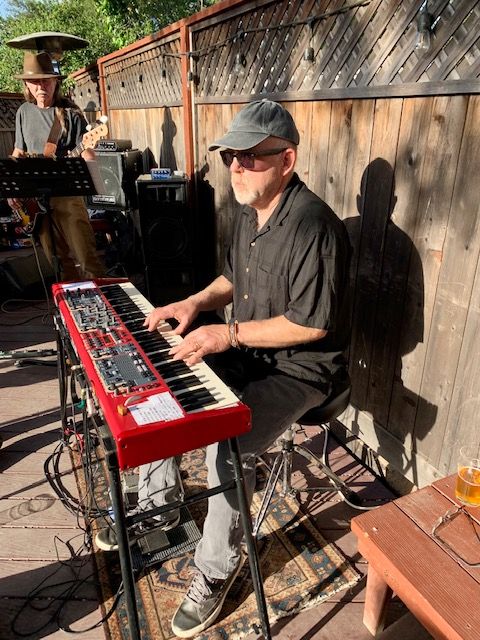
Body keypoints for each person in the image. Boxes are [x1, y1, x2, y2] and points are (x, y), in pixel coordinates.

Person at [96, 99, 351, 638]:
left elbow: (310, 326)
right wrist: (193, 304)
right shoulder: (249, 211)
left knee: (228, 446)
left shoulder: (315, 227)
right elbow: (232, 280)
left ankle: (216, 568)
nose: (237, 166)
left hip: (301, 370)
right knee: (164, 386)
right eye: (231, 156)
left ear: (287, 160)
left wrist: (227, 334)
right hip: (249, 349)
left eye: (250, 156)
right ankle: (161, 509)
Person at [8, 51, 105, 281]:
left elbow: (86, 150)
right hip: (35, 200)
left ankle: (102, 299)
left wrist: (91, 164)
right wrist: (13, 190)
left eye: (46, 80)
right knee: (58, 262)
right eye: (35, 81)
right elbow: (18, 152)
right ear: (27, 84)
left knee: (87, 258)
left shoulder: (71, 113)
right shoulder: (23, 112)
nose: (41, 86)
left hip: (67, 196)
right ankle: (70, 301)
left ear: (55, 82)